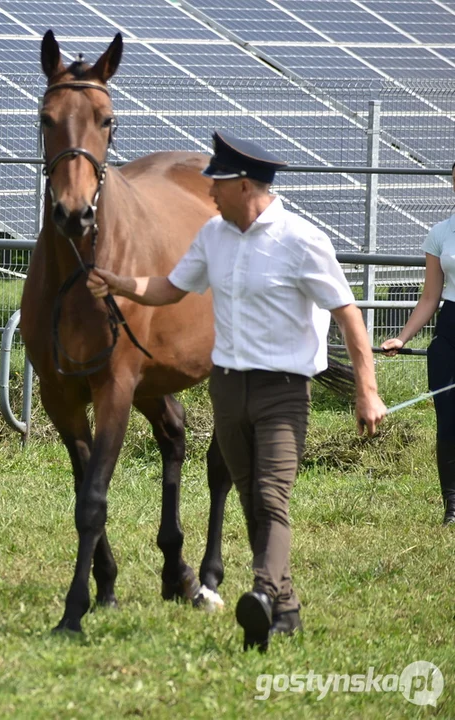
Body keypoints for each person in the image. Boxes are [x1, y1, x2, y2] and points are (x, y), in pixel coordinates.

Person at [86, 131, 387, 652]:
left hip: (281, 391)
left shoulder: (301, 239)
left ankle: (264, 597)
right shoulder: (213, 237)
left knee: (272, 497)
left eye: (216, 186)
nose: (208, 195)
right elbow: (169, 288)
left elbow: (346, 313)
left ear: (245, 186)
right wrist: (118, 282)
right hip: (227, 388)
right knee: (251, 499)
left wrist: (367, 388)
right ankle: (287, 610)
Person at [380, 161, 455, 526]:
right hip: (450, 331)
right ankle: (452, 508)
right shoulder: (440, 232)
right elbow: (430, 296)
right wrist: (402, 336)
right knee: (448, 423)